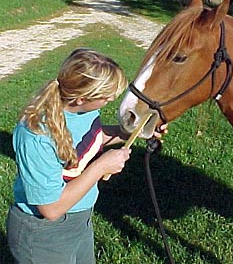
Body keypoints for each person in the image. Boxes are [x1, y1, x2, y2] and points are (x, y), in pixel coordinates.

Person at [6, 48, 167, 264]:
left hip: (80, 219)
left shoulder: (84, 110)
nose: (111, 98)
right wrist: (100, 167)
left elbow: (92, 139)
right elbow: (51, 208)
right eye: (107, 96)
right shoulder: (36, 135)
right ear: (81, 98)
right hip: (43, 232)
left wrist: (131, 132)